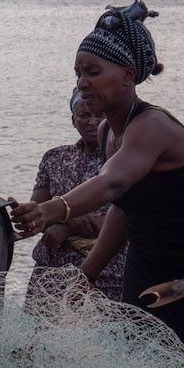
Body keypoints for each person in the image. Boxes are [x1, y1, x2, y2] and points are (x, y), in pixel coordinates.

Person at [8, 0, 184, 368]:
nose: (82, 82)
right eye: (78, 72)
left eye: (93, 71)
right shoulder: (107, 132)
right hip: (144, 274)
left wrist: (51, 210)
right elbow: (124, 207)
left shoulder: (154, 126)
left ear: (128, 76)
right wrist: (85, 275)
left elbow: (112, 182)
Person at [30, 88, 126, 301]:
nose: (92, 122)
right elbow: (37, 213)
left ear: (109, 120)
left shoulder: (122, 160)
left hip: (106, 273)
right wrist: (25, 214)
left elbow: (124, 219)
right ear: (73, 120)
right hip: (51, 271)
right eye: (84, 115)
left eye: (99, 115)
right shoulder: (54, 158)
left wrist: (67, 225)